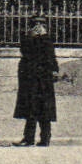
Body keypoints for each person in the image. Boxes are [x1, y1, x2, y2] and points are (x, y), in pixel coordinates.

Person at [13, 14, 59, 146]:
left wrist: (54, 72)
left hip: (44, 80)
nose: (38, 27)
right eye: (35, 25)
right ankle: (29, 138)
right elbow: (25, 52)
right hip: (31, 79)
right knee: (31, 109)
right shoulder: (27, 39)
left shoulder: (47, 40)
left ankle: (45, 138)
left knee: (45, 109)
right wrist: (33, 37)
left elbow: (51, 56)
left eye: (41, 25)